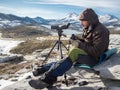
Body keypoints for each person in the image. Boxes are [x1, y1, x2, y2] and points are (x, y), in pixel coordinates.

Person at [29, 8, 109, 89]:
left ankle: (46, 80)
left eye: (83, 21)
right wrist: (77, 39)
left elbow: (96, 51)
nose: (81, 23)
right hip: (88, 54)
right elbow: (88, 42)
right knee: (67, 58)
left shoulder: (101, 31)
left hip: (95, 58)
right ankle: (43, 69)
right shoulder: (90, 27)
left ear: (90, 20)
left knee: (73, 52)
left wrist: (79, 44)